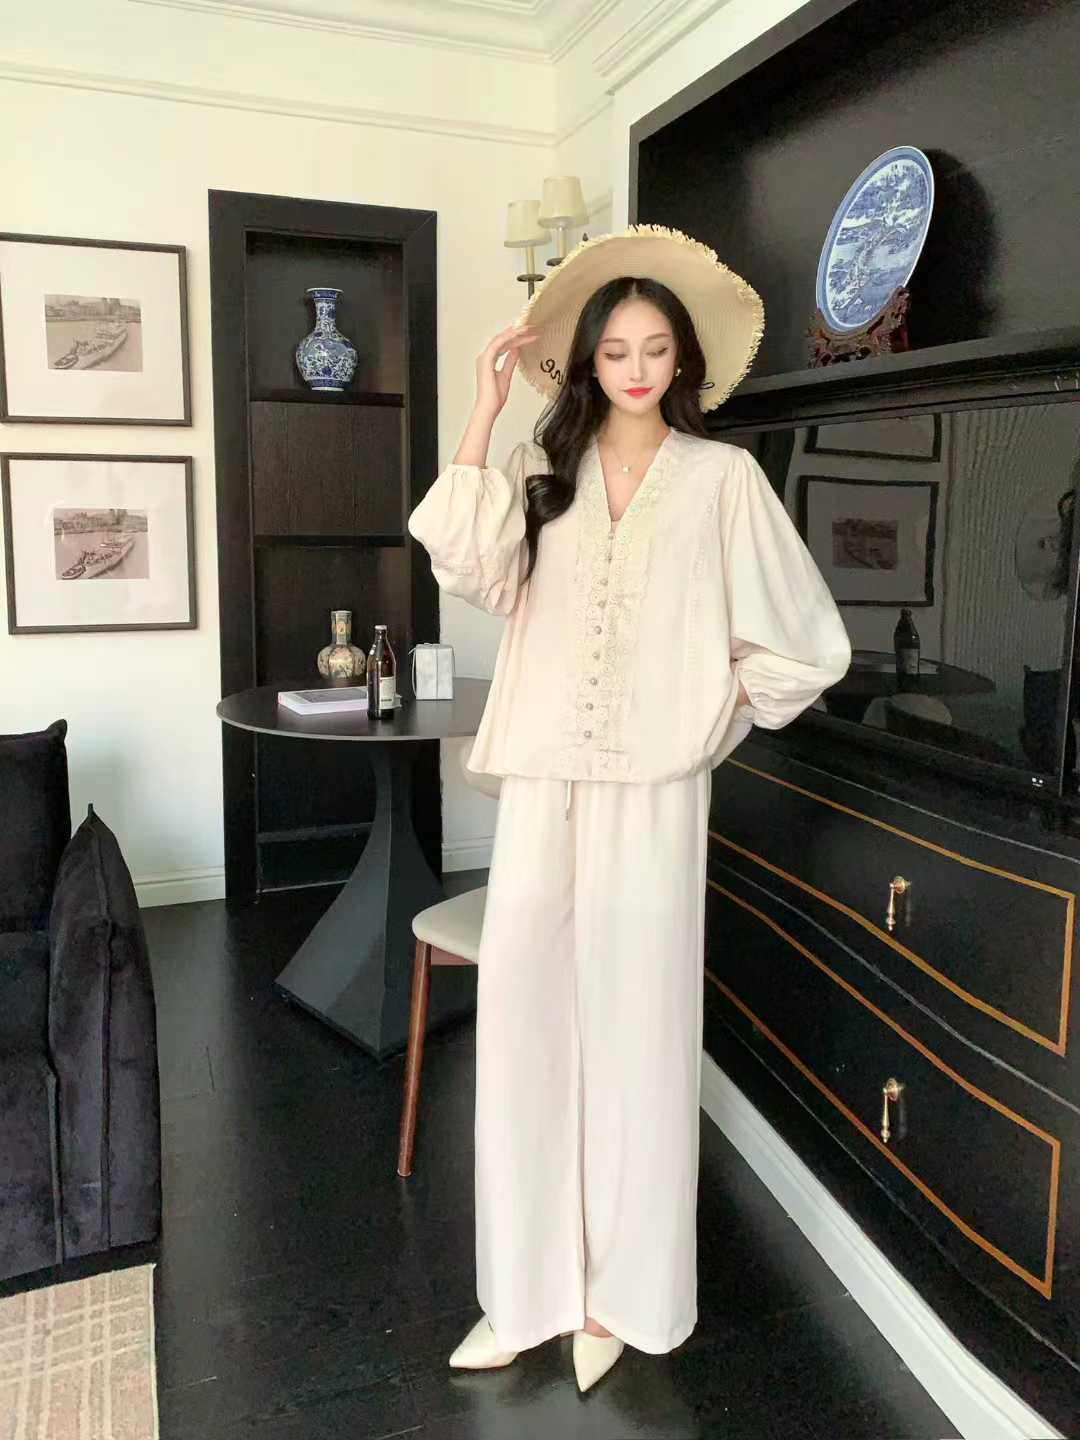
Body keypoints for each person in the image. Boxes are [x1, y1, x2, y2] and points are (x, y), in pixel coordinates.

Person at [407, 224, 852, 1393]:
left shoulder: (722, 480)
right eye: (616, 351)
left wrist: (707, 714)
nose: (638, 368)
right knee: (524, 1035)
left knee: (638, 1039)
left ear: (683, 359)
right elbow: (469, 565)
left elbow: (803, 643)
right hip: (545, 786)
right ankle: (522, 1294)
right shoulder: (541, 470)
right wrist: (484, 409)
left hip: (655, 797)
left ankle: (617, 1298)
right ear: (588, 363)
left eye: (657, 349)